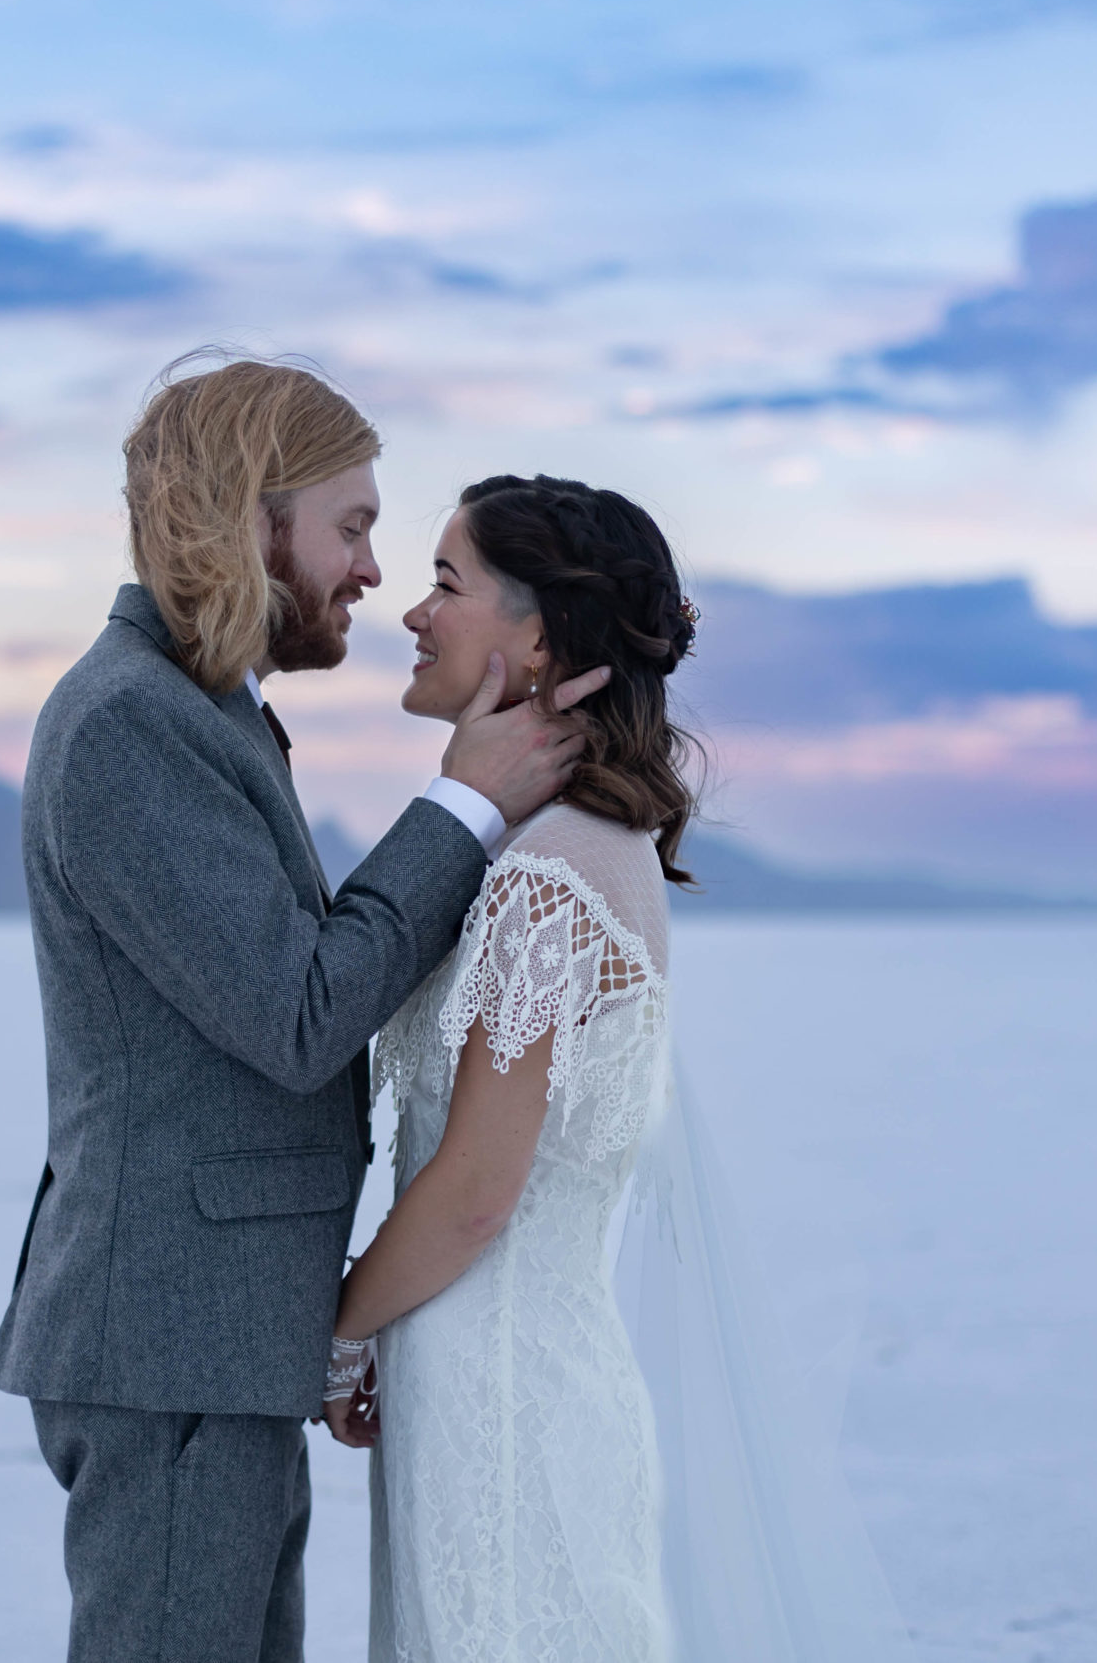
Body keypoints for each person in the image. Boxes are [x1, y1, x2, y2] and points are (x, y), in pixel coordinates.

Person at [0, 362, 610, 1663]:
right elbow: (300, 1008)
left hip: (215, 1337)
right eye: (352, 524)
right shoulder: (129, 725)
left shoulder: (203, 713)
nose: (372, 570)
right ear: (248, 519)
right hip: (171, 1343)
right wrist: (464, 806)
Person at [326, 474, 695, 1661]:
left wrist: (336, 1334)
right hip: (482, 1387)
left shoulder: (551, 876)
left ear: (538, 640)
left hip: (504, 1415)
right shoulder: (572, 845)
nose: (411, 611)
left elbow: (480, 1190)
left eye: (444, 583)